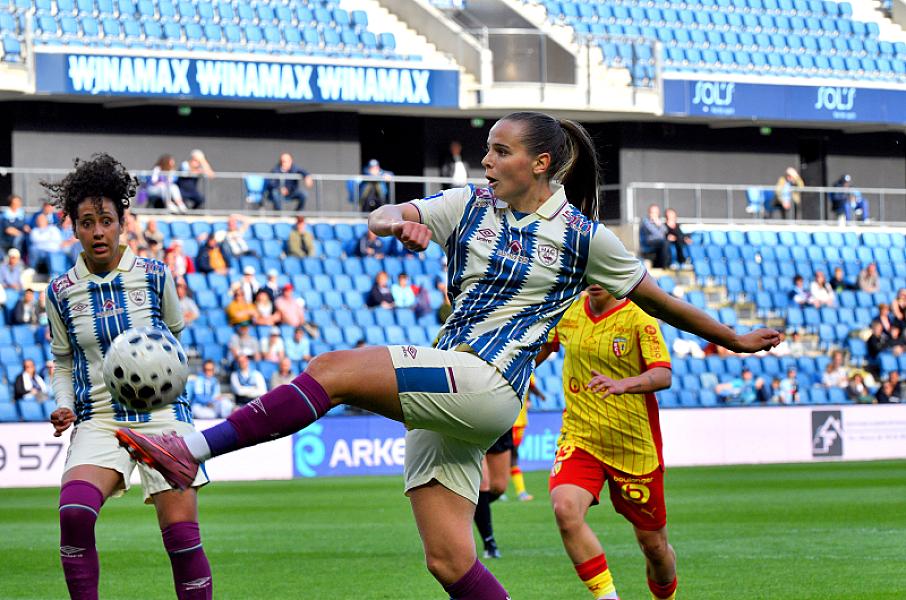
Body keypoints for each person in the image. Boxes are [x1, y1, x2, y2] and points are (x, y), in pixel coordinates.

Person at [115, 112, 779, 599]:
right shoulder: (468, 204)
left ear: (541, 163)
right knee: (450, 561)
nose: (487, 160)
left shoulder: (584, 237)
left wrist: (734, 339)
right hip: (453, 384)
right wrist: (397, 222)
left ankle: (191, 449)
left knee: (333, 370)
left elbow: (662, 302)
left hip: (489, 383)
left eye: (500, 150)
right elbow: (380, 212)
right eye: (487, 149)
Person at [42, 153, 212, 599]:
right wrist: (62, 403)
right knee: (74, 513)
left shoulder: (156, 276)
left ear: (122, 221)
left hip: (163, 416)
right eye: (86, 222)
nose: (97, 231)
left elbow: (174, 344)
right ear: (74, 227)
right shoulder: (59, 292)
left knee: (182, 537)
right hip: (99, 417)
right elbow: (63, 360)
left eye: (106, 220)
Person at [536, 283, 676, 600]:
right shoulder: (568, 310)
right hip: (581, 437)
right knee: (565, 508)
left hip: (634, 447)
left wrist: (624, 385)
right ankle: (607, 597)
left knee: (654, 547)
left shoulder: (639, 317)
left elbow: (663, 375)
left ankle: (665, 596)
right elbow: (540, 351)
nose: (596, 281)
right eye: (591, 272)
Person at [638, 204, 669, 269]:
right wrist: (658, 224)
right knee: (664, 242)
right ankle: (664, 266)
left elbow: (666, 231)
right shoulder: (645, 221)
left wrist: (659, 224)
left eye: (656, 213)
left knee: (667, 243)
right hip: (648, 243)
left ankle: (666, 264)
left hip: (657, 243)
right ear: (649, 213)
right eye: (652, 212)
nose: (654, 214)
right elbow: (659, 234)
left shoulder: (658, 221)